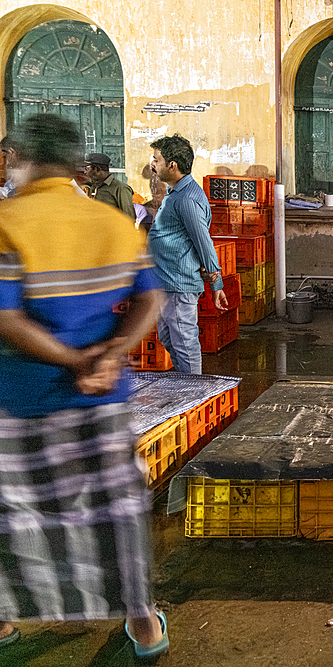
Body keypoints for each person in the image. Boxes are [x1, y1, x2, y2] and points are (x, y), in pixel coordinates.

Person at [0, 114, 168, 659]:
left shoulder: (6, 222)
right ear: (77, 166)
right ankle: (144, 626)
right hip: (102, 397)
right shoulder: (112, 224)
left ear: (19, 159)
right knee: (116, 508)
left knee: (18, 510)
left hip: (20, 398)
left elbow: (6, 319)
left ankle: (5, 621)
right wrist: (107, 355)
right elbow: (151, 300)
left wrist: (72, 360)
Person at [147, 134, 227, 374]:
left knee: (185, 343)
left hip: (178, 283)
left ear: (172, 165)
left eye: (156, 159)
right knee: (168, 338)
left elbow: (203, 242)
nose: (152, 164)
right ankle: (187, 384)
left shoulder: (187, 199)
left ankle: (195, 394)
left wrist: (217, 283)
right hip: (166, 281)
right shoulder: (176, 193)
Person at [85, 152, 136, 218]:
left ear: (97, 169)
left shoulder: (120, 188)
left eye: (87, 169)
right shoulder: (93, 187)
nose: (85, 172)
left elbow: (129, 218)